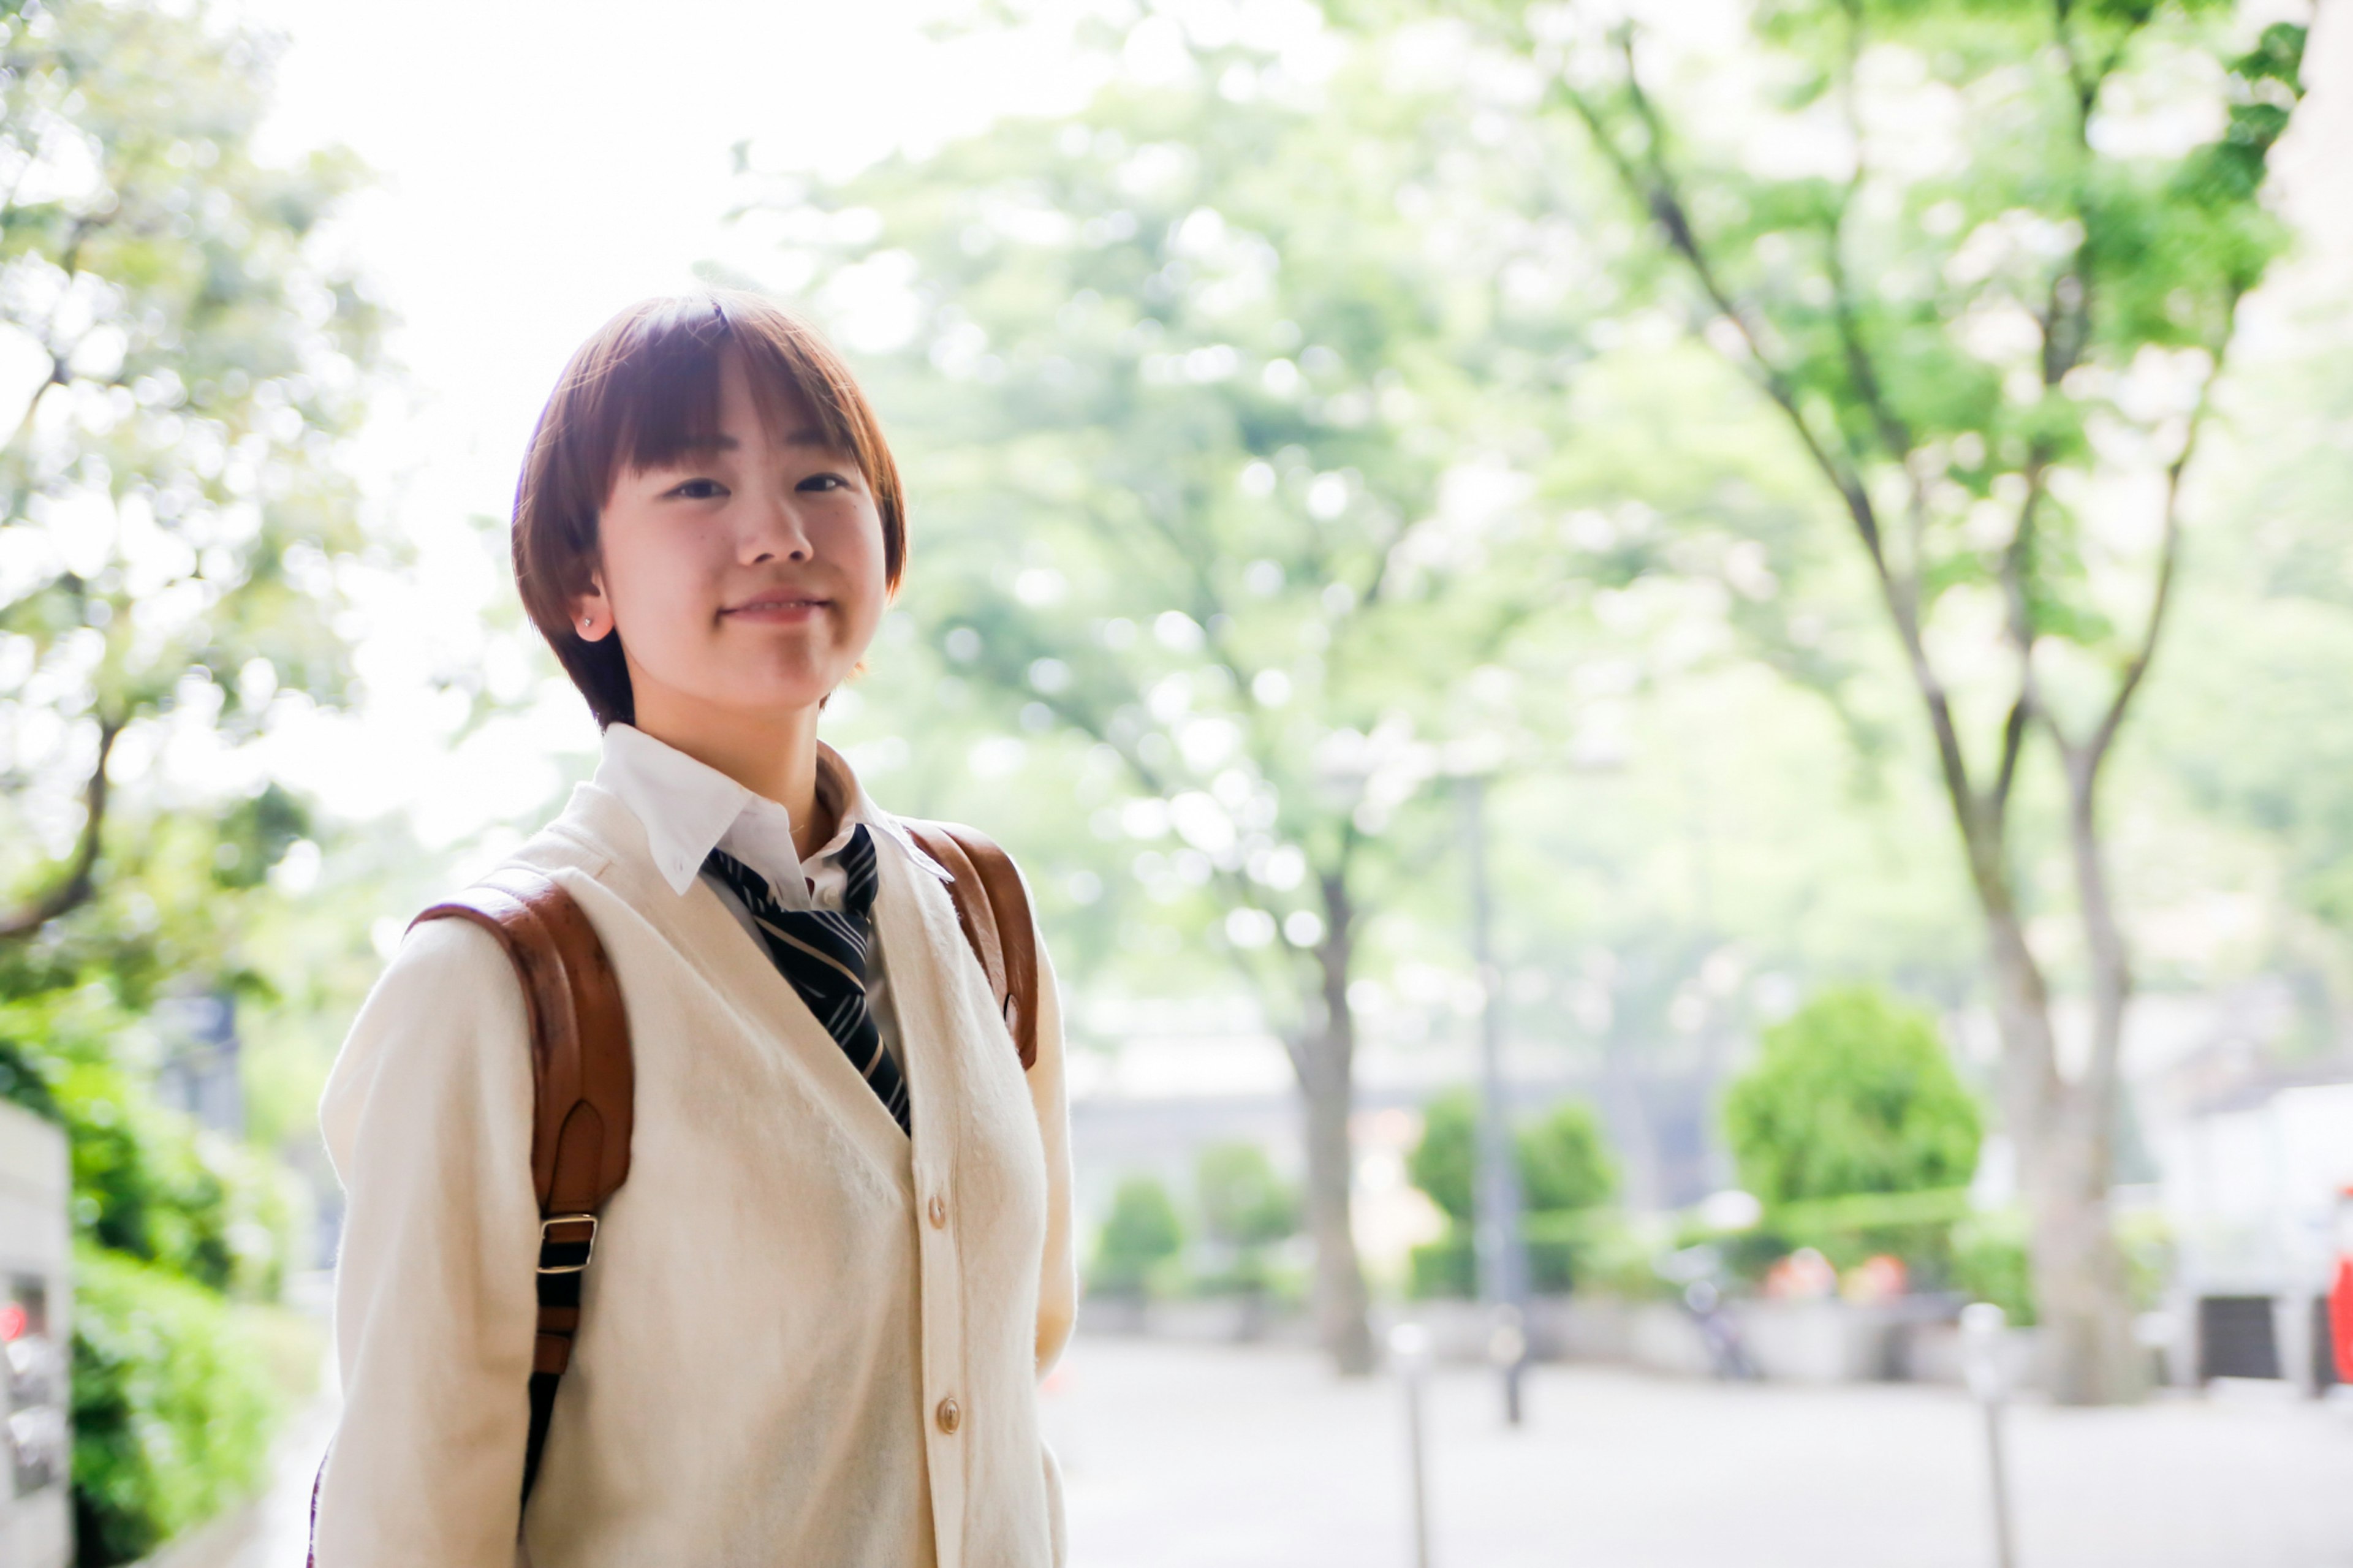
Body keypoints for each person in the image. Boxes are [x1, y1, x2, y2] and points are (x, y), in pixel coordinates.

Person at [309, 291, 1075, 1566]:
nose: (778, 532)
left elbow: (1013, 1346)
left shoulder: (982, 913)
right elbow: (409, 1522)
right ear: (583, 582)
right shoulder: (496, 979)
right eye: (698, 489)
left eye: (821, 477)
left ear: (885, 549)